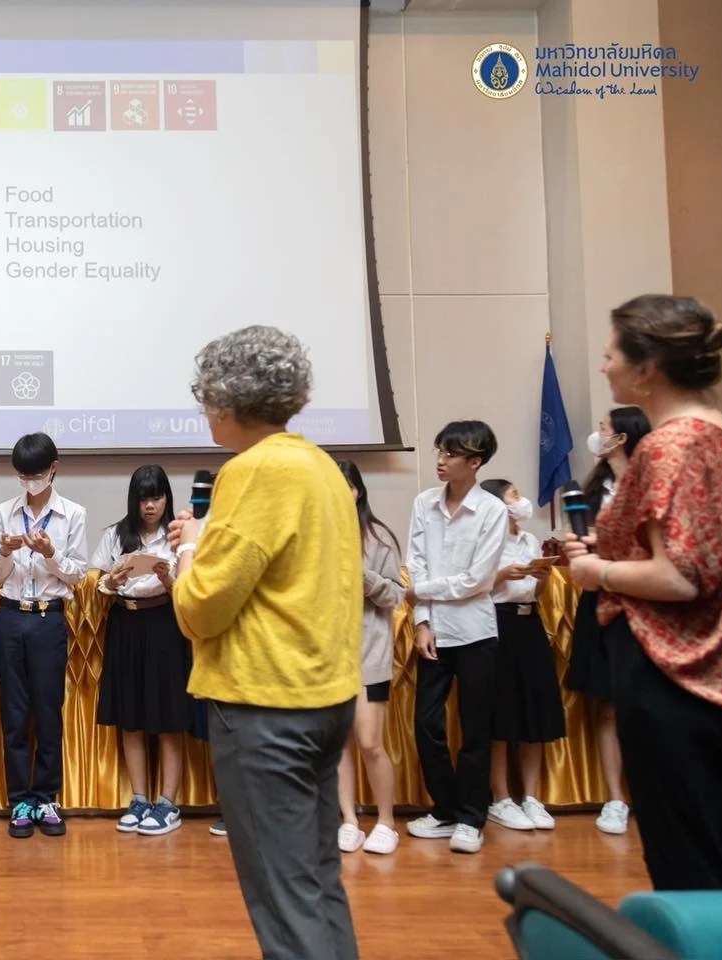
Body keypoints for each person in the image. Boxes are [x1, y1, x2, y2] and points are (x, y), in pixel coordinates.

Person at [170, 325, 361, 960]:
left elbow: (202, 608)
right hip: (324, 697)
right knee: (316, 883)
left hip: (265, 707)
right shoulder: (321, 467)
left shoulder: (254, 471)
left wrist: (190, 552)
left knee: (283, 901)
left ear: (224, 401)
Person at [564, 294, 722, 890]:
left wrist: (597, 573)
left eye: (610, 355)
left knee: (688, 864)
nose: (605, 366)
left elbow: (681, 575)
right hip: (711, 671)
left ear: (647, 367)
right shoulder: (719, 434)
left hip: (669, 670)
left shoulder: (670, 445)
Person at [404, 420, 507, 854]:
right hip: (435, 631)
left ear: (475, 461)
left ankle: (471, 817)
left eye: (451, 454)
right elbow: (417, 561)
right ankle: (445, 809)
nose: (441, 461)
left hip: (475, 632)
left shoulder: (492, 510)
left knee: (475, 727)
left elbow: (477, 580)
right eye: (439, 452)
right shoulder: (424, 503)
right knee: (426, 724)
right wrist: (422, 620)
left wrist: (420, 593)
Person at [0, 432, 88, 839]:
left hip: (49, 619)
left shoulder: (73, 514)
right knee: (14, 713)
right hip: (11, 617)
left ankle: (47, 796)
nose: (30, 482)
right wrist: (7, 552)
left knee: (48, 711)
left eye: (37, 474)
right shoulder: (2, 514)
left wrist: (50, 553)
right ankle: (20, 800)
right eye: (23, 476)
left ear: (54, 469)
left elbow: (79, 575)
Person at [564, 405, 651, 835]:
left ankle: (651, 792)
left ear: (622, 438)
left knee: (646, 703)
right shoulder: (595, 488)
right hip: (598, 602)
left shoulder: (652, 482)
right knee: (607, 705)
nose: (597, 435)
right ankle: (616, 799)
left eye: (603, 429)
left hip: (645, 604)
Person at [93, 464, 190, 836]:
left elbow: (189, 588)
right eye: (144, 498)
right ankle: (139, 798)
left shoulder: (179, 537)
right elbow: (99, 583)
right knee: (130, 717)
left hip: (164, 624)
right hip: (125, 624)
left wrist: (168, 578)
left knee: (168, 718)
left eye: (157, 497)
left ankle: (167, 803)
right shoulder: (117, 535)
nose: (150, 506)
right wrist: (110, 582)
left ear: (166, 498)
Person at [479, 478, 564, 833]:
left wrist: (541, 574)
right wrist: (505, 573)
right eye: (513, 494)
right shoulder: (486, 540)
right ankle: (500, 798)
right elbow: (477, 584)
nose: (521, 500)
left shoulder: (529, 540)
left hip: (530, 625)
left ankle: (531, 796)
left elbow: (537, 591)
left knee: (535, 711)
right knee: (500, 714)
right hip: (498, 624)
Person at [332, 460, 403, 856]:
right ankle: (349, 820)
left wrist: (359, 574)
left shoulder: (378, 538)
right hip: (329, 656)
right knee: (339, 742)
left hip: (369, 654)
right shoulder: (316, 536)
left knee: (370, 741)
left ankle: (387, 822)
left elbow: (395, 595)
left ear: (357, 490)